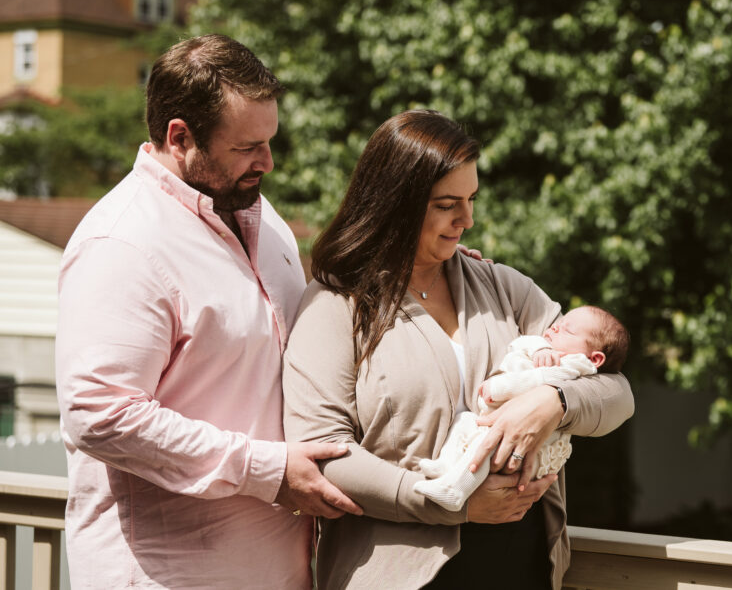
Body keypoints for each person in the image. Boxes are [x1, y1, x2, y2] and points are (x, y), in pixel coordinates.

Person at [55, 34, 362, 589]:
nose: (267, 161)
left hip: (278, 569)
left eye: (269, 141)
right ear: (180, 137)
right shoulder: (122, 243)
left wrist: (433, 265)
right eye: (248, 146)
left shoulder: (256, 212)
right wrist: (267, 471)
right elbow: (99, 413)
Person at [282, 109, 634, 590]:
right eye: (448, 203)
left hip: (521, 565)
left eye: (470, 199)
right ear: (396, 205)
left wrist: (552, 402)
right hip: (398, 574)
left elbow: (616, 392)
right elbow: (323, 452)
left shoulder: (501, 287)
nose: (467, 219)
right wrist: (448, 503)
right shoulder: (335, 306)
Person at [415, 306, 629, 512]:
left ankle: (455, 489)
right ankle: (445, 466)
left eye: (567, 330)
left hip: (523, 446)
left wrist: (497, 389)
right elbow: (522, 343)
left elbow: (535, 381)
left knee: (486, 444)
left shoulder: (573, 366)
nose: (555, 327)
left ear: (594, 358)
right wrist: (541, 348)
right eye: (558, 323)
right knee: (464, 421)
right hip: (494, 423)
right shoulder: (545, 348)